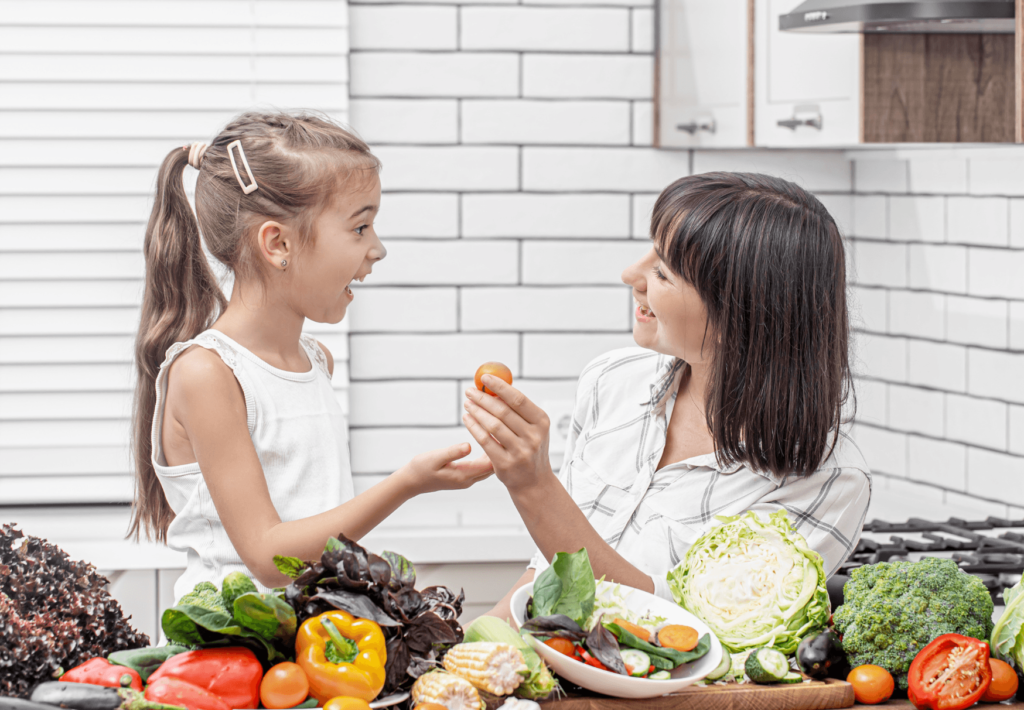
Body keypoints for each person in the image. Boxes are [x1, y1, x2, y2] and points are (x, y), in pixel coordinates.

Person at [462, 172, 871, 618]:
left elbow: (681, 629)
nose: (631, 276)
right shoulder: (611, 380)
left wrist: (532, 485)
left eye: (662, 271)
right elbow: (550, 573)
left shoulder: (827, 481)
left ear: (737, 314)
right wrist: (464, 654)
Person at [128, 112, 492, 600]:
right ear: (278, 243)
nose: (377, 250)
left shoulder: (315, 360)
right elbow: (268, 556)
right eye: (360, 228)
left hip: (307, 646)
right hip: (228, 653)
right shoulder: (207, 374)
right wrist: (407, 483)